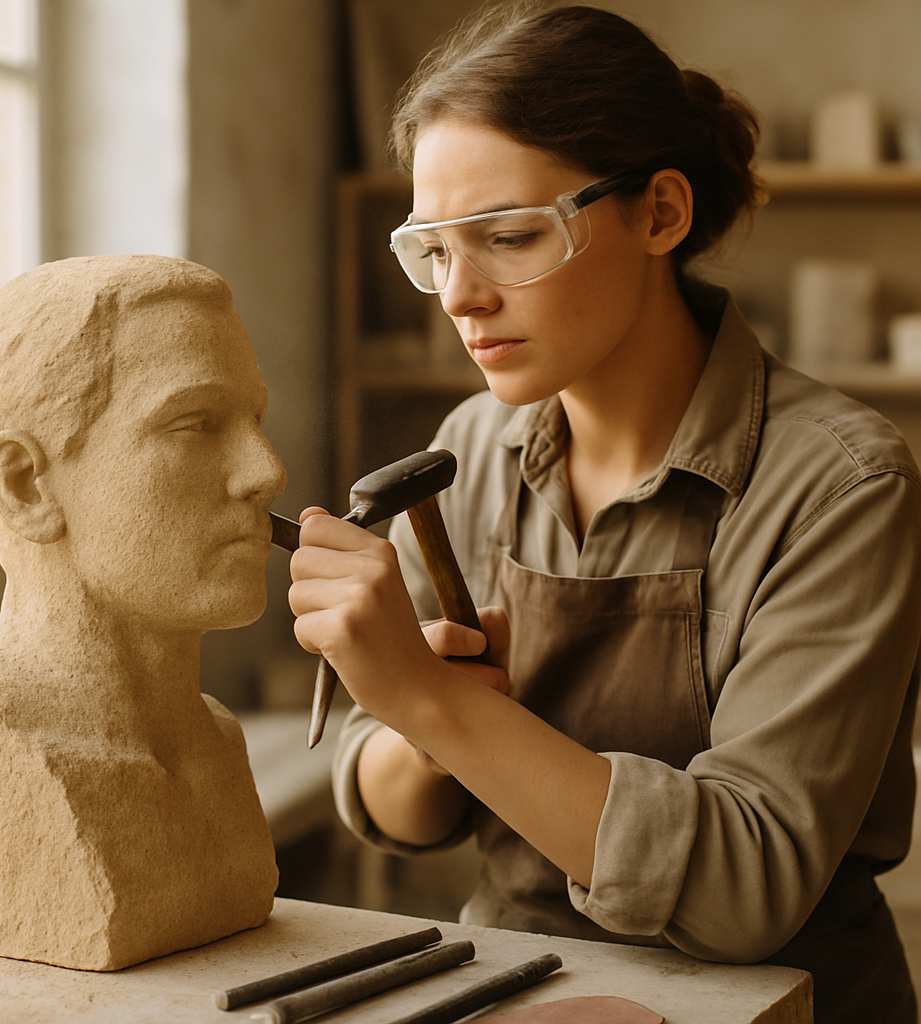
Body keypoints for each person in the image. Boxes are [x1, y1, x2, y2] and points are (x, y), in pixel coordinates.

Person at [287, 6, 921, 1022]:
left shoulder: (839, 484)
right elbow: (388, 805)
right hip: (522, 986)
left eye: (507, 237)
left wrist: (439, 704)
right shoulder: (473, 448)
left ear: (660, 213)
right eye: (434, 250)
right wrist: (414, 724)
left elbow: (745, 889)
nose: (459, 296)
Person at [0, 254, 285, 970]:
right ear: (26, 487)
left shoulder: (215, 741)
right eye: (196, 424)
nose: (267, 470)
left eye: (255, 419)